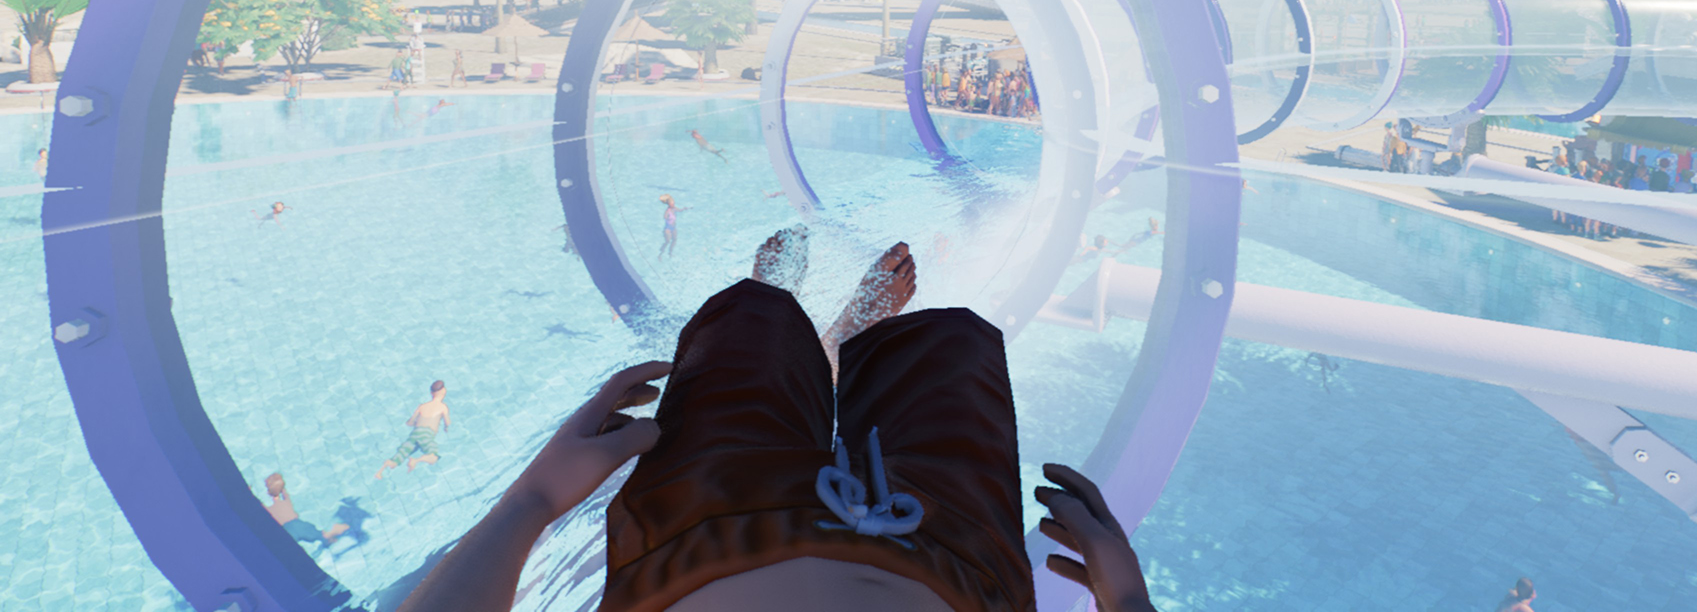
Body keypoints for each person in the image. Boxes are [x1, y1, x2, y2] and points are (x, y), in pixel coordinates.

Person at [390, 239, 1161, 612]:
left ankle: (790, 324)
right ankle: (831, 342)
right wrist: (1126, 603)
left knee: (744, 334)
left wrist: (534, 499)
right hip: (958, 563)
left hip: (695, 540)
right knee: (951, 350)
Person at [375, 380, 450, 480]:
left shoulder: (422, 406)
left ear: (431, 393)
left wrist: (417, 423)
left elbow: (409, 423)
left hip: (415, 434)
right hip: (427, 435)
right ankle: (416, 460)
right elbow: (447, 422)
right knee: (433, 457)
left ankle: (380, 472)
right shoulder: (442, 407)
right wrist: (446, 428)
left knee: (399, 456)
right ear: (444, 391)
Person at [263, 472, 348, 546]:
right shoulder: (285, 499)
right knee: (318, 535)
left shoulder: (271, 508)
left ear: (268, 492)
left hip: (286, 529)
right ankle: (328, 539)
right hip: (297, 524)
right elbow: (282, 492)